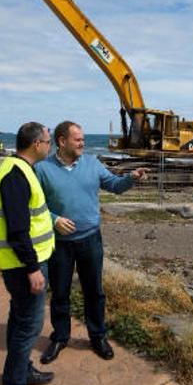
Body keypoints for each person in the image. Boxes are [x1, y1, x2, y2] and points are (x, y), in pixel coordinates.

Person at [36, 120, 147, 364]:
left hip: (90, 240)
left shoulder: (92, 163)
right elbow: (36, 205)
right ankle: (60, 337)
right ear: (62, 141)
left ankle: (97, 336)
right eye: (77, 139)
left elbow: (114, 186)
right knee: (60, 293)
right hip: (60, 243)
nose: (83, 143)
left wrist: (132, 177)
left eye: (83, 139)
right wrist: (54, 220)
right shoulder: (42, 169)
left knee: (94, 291)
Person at [0, 122, 55, 385]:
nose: (49, 146)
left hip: (22, 262)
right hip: (24, 265)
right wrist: (32, 268)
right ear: (36, 144)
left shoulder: (19, 169)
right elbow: (18, 229)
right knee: (28, 326)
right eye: (48, 141)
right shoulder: (16, 175)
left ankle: (20, 372)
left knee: (19, 320)